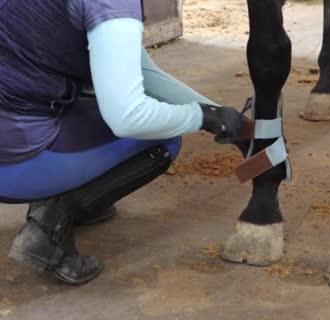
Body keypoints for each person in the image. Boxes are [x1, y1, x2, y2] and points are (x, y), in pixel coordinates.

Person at [0, 0, 247, 285]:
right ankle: (51, 225)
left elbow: (145, 75)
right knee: (162, 139)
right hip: (11, 164)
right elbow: (128, 117)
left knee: (89, 101)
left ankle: (82, 199)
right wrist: (201, 116)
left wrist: (220, 116)